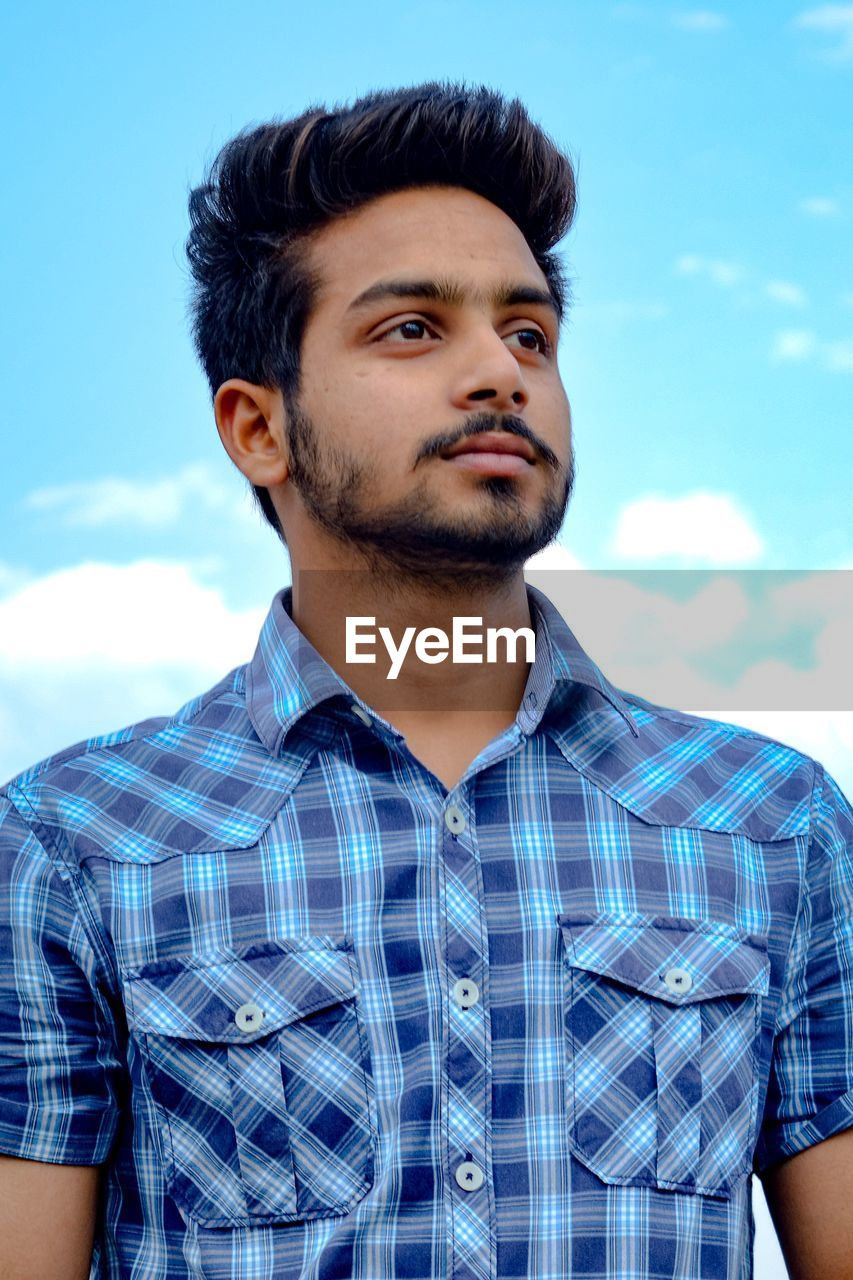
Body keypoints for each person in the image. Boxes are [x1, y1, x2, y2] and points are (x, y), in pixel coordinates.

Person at [1, 81, 851, 1280]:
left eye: (529, 333)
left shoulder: (774, 822)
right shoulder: (75, 842)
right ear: (257, 428)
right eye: (411, 328)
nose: (498, 373)